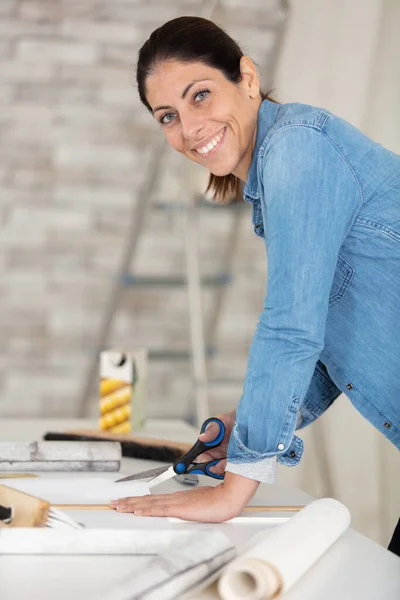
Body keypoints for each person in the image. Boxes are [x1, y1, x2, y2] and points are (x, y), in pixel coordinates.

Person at [110, 16, 400, 549]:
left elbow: (291, 325)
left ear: (246, 77)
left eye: (201, 96)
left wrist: (233, 489)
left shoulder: (297, 149)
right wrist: (245, 426)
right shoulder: (281, 169)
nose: (190, 128)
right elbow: (336, 340)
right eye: (168, 116)